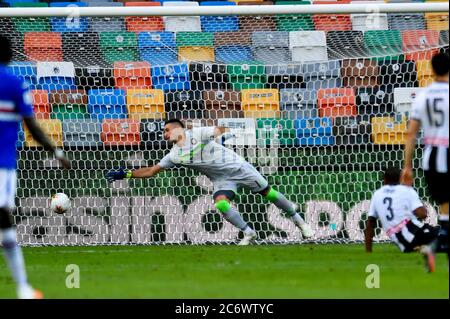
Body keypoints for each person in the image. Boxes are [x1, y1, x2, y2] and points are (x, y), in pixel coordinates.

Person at [106, 118, 315, 245]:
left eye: (166, 130)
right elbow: (152, 171)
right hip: (221, 179)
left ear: (179, 129)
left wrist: (219, 133)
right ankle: (249, 232)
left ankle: (300, 222)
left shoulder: (198, 133)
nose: (164, 134)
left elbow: (219, 130)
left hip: (239, 168)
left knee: (269, 194)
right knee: (221, 203)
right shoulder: (174, 155)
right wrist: (126, 174)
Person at [0, 35, 71, 299]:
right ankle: (22, 287)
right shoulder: (15, 83)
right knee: (4, 218)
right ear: (9, 56)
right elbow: (32, 126)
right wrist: (57, 151)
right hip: (2, 165)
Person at [400, 52, 449, 266]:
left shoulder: (423, 95)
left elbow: (411, 133)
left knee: (445, 207)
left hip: (431, 158)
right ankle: (438, 247)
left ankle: (435, 249)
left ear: (431, 68)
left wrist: (407, 166)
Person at [365, 167, 440, 272]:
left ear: (384, 180)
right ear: (400, 179)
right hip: (415, 231)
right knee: (443, 234)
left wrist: (368, 251)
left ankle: (423, 248)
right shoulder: (406, 190)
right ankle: (428, 248)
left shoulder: (377, 194)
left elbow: (370, 224)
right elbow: (423, 214)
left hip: (402, 243)